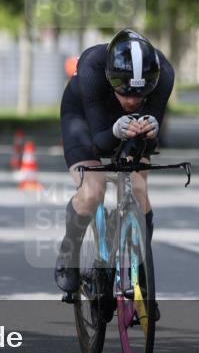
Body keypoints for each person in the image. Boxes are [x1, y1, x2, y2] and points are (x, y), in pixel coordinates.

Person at [55, 28, 175, 296]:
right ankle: (69, 251)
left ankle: (140, 268)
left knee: (139, 189)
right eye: (124, 92)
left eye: (140, 93)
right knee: (93, 190)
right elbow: (99, 142)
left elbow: (150, 143)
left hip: (129, 127)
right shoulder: (91, 66)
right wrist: (114, 131)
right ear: (111, 79)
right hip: (85, 119)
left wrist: (151, 129)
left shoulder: (164, 73)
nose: (132, 101)